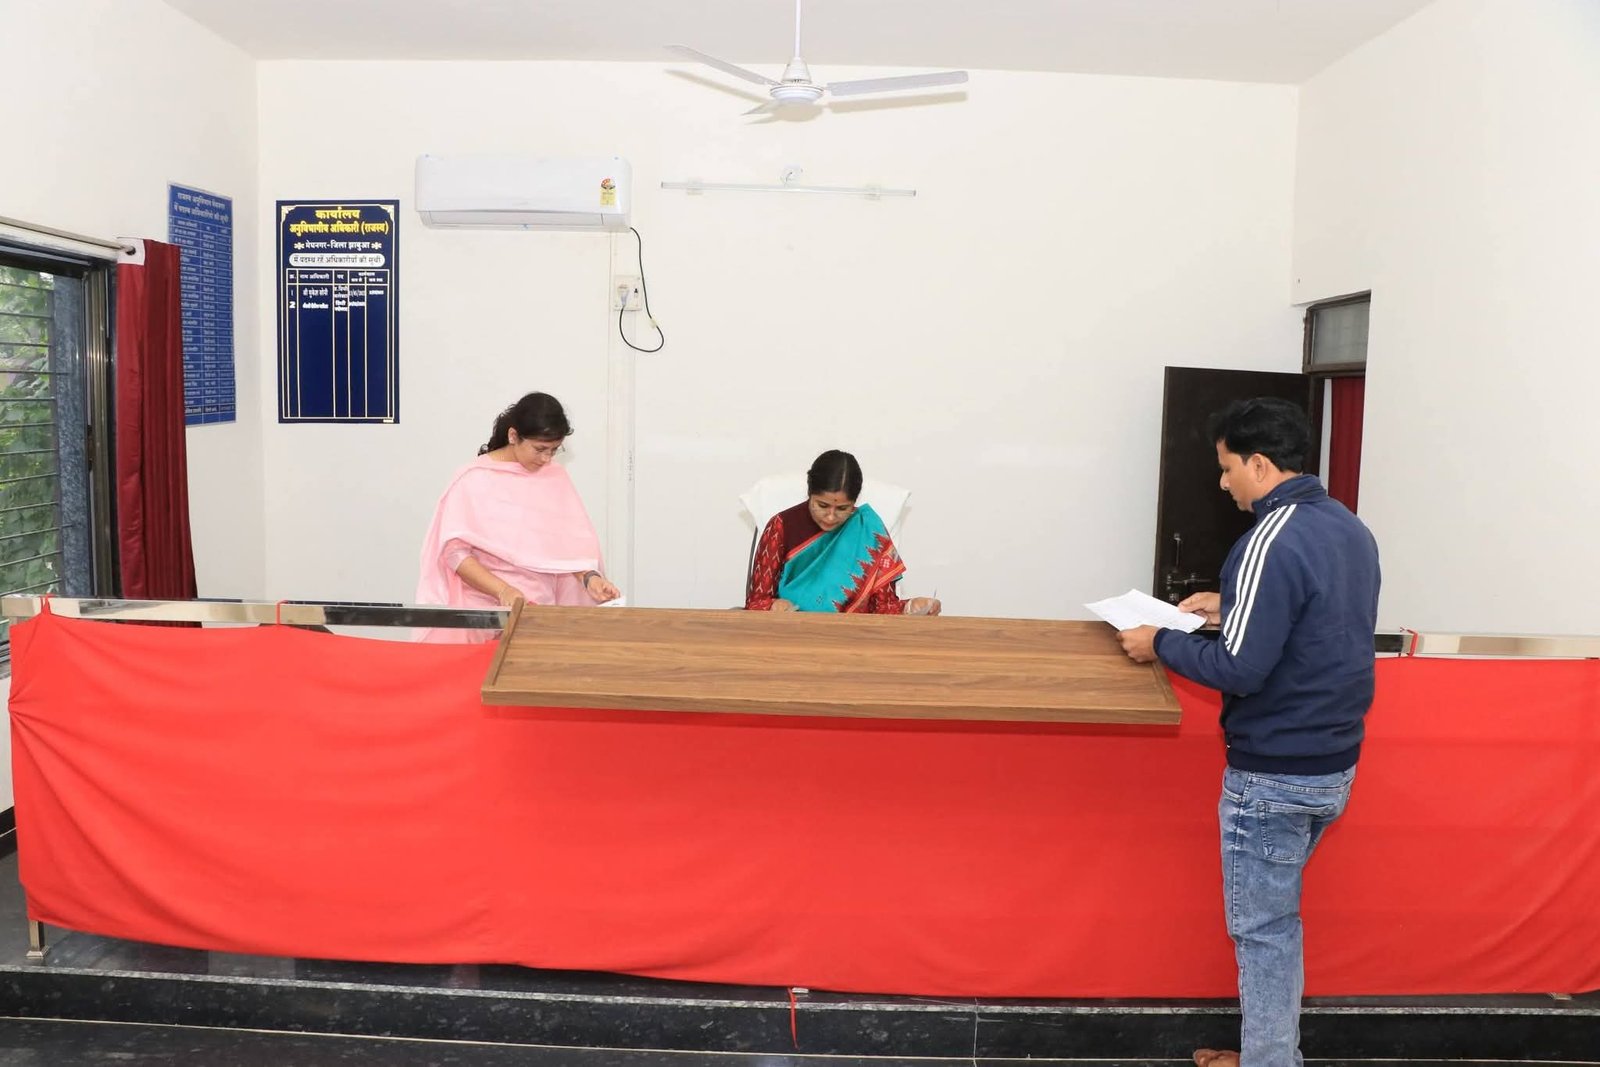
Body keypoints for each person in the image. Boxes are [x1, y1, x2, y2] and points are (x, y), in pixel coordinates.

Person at [1117, 398, 1380, 1067]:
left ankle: (1269, 1061)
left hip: (1274, 773)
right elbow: (1311, 625)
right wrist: (1230, 603)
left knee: (1264, 933)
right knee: (1276, 927)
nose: (1223, 481)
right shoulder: (1348, 527)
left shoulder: (1268, 538)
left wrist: (1158, 642)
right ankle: (1270, 1052)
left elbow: (1239, 667)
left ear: (1259, 464)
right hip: (1333, 764)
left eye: (1227, 466)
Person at [416, 392, 620, 643]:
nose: (546, 459)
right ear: (513, 436)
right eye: (539, 449)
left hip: (538, 604)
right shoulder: (473, 479)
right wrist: (504, 591)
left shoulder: (554, 477)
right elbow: (455, 555)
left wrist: (590, 579)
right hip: (482, 602)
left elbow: (566, 547)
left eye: (554, 450)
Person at [745, 450, 940, 616]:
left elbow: (883, 608)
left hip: (854, 636)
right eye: (822, 505)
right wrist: (773, 606)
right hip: (793, 634)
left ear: (854, 502)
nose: (830, 517)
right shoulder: (781, 527)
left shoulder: (869, 531)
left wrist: (910, 607)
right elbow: (756, 602)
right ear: (810, 493)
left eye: (842, 508)